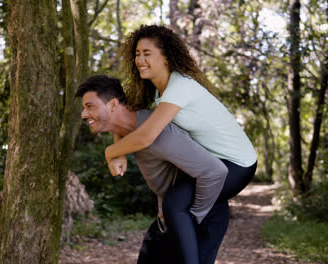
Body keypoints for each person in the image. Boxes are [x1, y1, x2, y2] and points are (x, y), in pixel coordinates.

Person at [103, 25, 258, 264]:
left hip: (238, 163)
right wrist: (119, 150)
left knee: (175, 204)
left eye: (147, 53)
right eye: (136, 54)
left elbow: (146, 136)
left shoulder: (180, 87)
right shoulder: (157, 94)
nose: (139, 60)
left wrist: (111, 152)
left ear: (166, 56)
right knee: (172, 208)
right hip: (211, 162)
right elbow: (126, 118)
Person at [76, 75, 255, 264]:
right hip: (170, 217)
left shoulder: (157, 133)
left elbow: (214, 172)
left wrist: (193, 216)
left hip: (199, 214)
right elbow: (121, 125)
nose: (83, 114)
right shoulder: (133, 127)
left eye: (89, 106)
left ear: (112, 105)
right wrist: (115, 150)